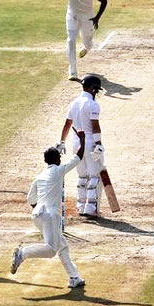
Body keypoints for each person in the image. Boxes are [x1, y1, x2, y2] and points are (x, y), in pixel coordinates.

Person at [9, 130, 87, 289]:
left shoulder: (40, 176)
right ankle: (22, 253)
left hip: (38, 215)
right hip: (50, 216)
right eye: (59, 156)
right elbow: (78, 157)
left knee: (62, 245)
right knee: (51, 250)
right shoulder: (58, 170)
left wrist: (40, 210)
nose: (60, 158)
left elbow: (30, 199)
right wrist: (83, 140)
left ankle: (74, 277)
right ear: (57, 159)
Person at [57, 75, 104, 217]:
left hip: (77, 143)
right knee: (94, 176)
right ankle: (90, 208)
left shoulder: (74, 103)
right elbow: (95, 126)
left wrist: (62, 142)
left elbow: (67, 124)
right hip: (90, 143)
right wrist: (99, 144)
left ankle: (81, 205)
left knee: (82, 175)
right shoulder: (93, 105)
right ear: (93, 88)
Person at [56, 0, 108, 81]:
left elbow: (104, 1)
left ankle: (86, 47)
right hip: (72, 15)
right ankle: (72, 71)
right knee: (71, 40)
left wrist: (97, 18)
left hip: (88, 17)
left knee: (88, 43)